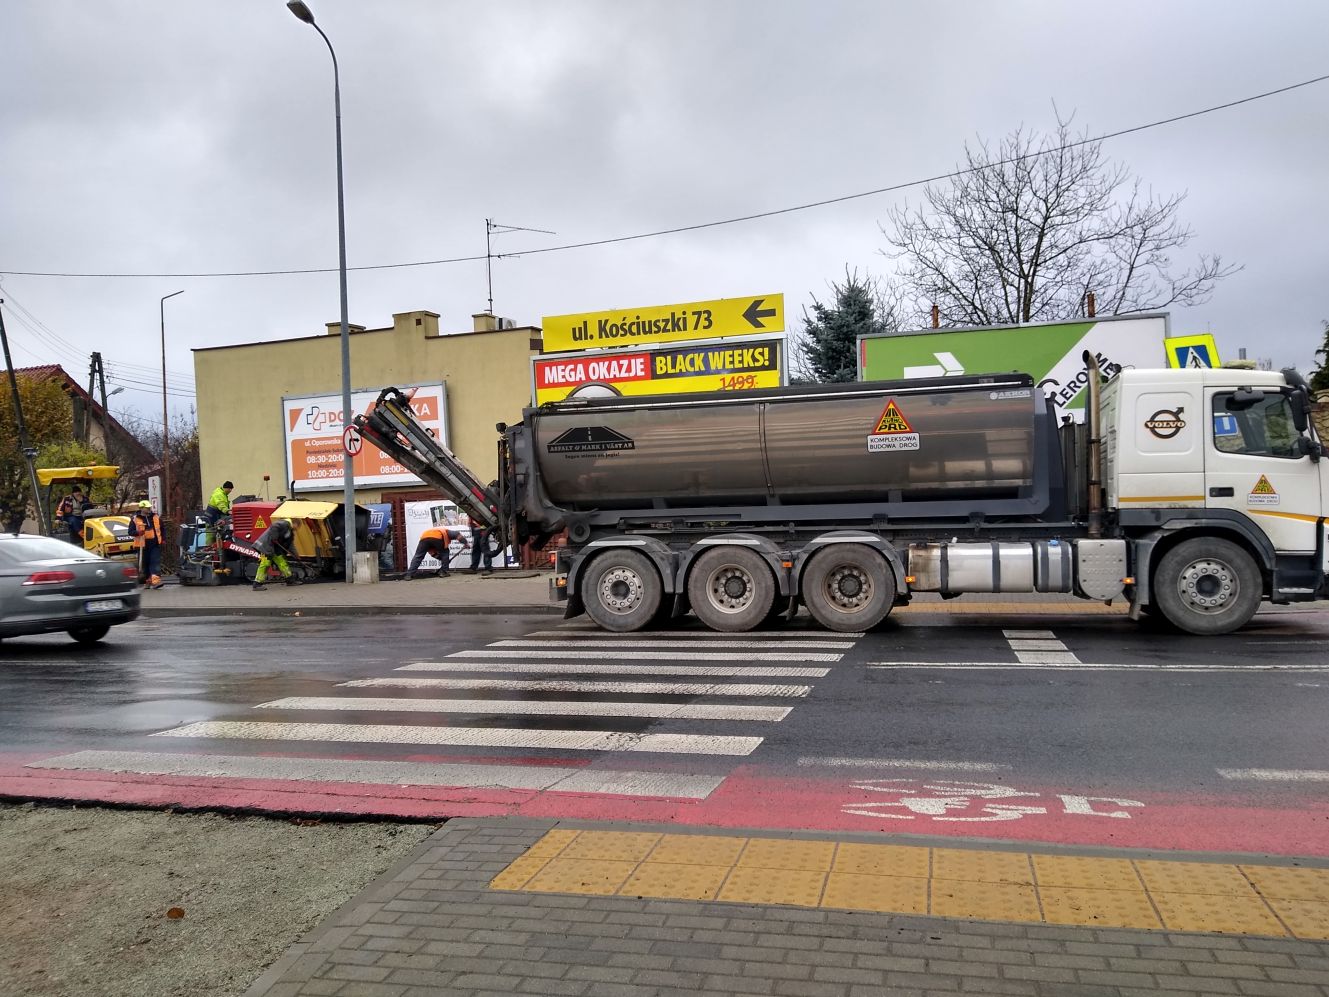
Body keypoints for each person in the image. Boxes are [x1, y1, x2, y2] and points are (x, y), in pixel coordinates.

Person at [252, 518, 302, 590]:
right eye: (298, 526)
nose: (298, 529)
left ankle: (290, 580)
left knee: (282, 563)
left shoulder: (290, 532)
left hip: (275, 549)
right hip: (266, 547)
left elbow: (291, 545)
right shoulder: (284, 524)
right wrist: (274, 537)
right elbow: (274, 526)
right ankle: (257, 584)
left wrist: (296, 555)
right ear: (295, 523)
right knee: (265, 564)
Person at [128, 500, 164, 589]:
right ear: (141, 508)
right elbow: (130, 532)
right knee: (145, 564)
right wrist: (137, 532)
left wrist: (163, 539)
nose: (149, 509)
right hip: (142, 545)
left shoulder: (155, 517)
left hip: (154, 544)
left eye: (149, 507)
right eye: (147, 507)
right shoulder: (135, 519)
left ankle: (155, 582)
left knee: (154, 562)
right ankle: (148, 581)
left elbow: (162, 529)